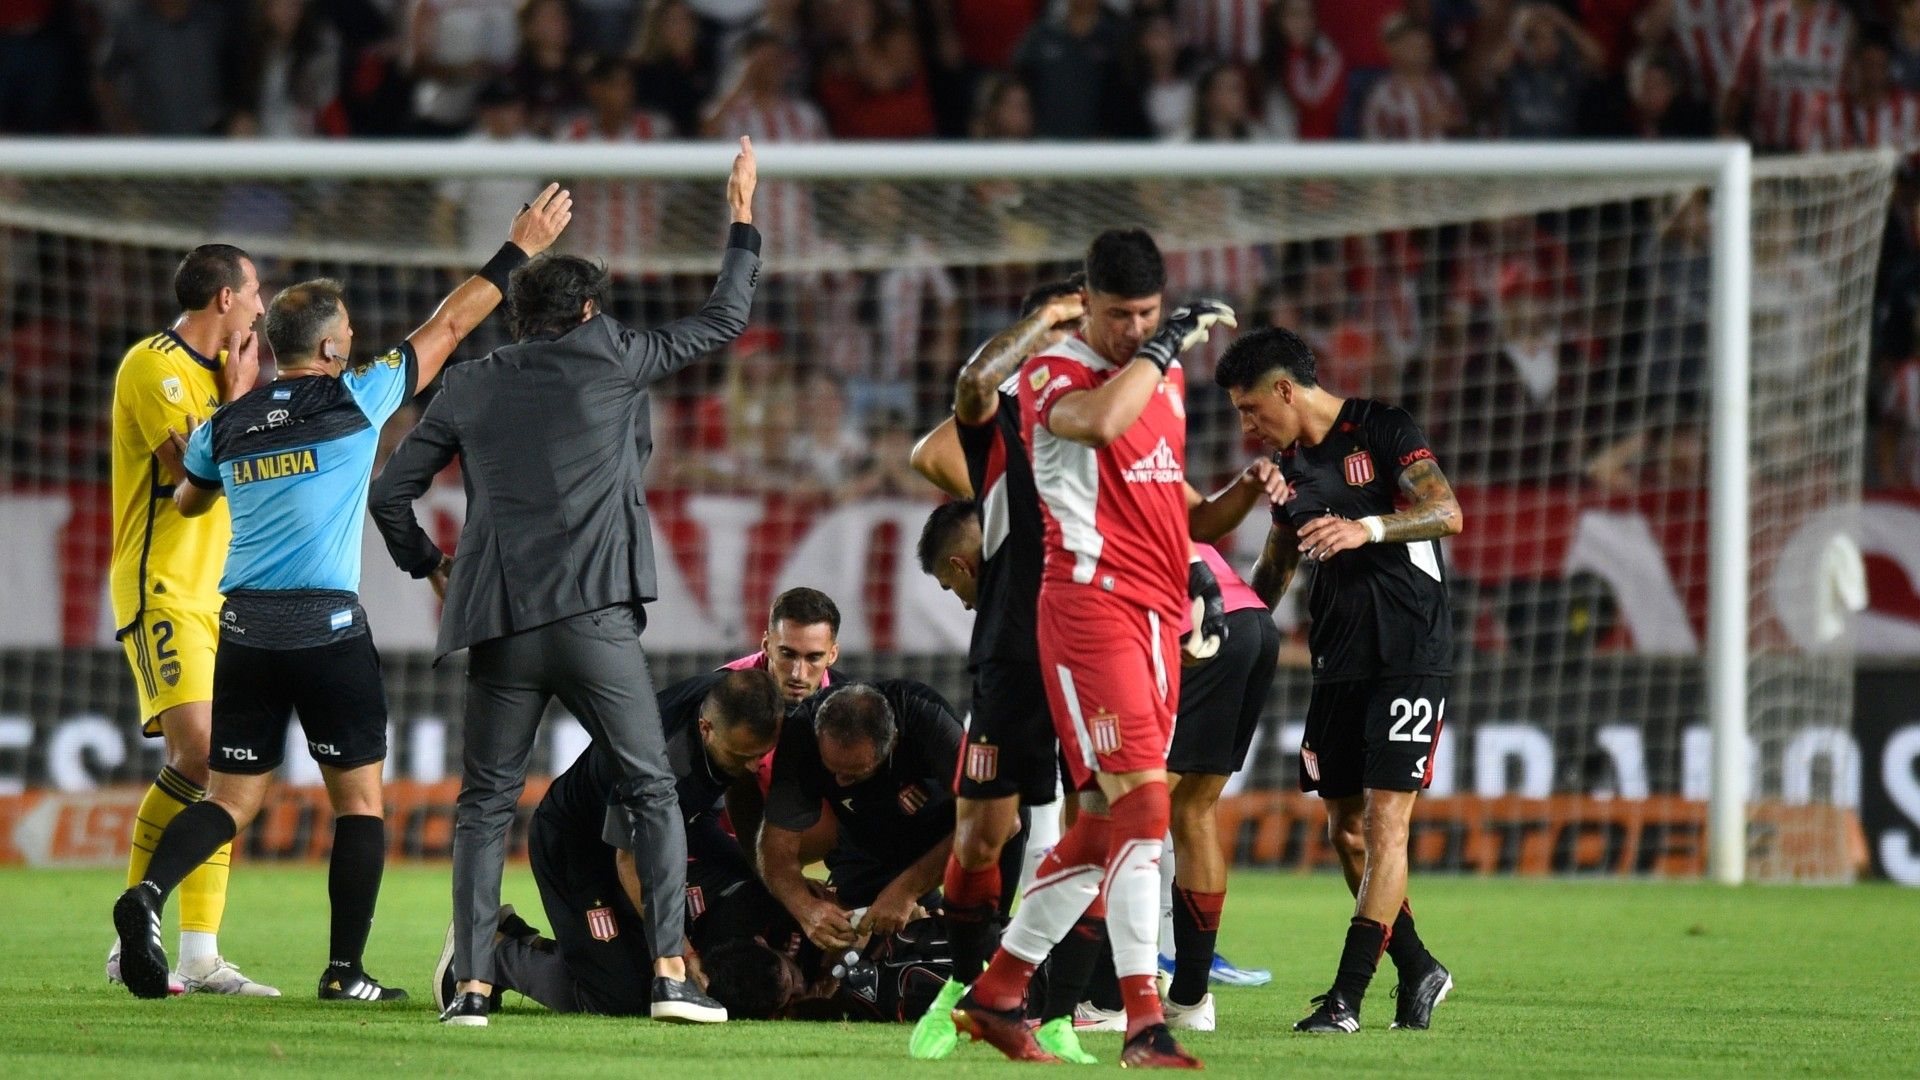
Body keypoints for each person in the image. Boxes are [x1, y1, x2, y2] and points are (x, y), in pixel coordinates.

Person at [110, 184, 575, 1004]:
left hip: (243, 629)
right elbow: (451, 325)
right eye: (349, 333)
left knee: (229, 798)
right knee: (359, 803)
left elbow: (186, 499)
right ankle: (344, 971)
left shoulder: (229, 423)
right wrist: (518, 252)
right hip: (325, 629)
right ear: (329, 348)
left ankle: (146, 893)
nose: (356, 340)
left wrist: (237, 432)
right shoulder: (355, 397)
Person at [368, 139, 758, 1028]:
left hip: (500, 623)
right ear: (587, 311)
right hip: (593, 622)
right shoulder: (615, 355)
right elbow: (724, 317)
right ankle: (669, 975)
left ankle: (472, 986)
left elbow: (390, 493)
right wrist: (741, 215)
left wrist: (431, 566)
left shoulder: (469, 383)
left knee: (484, 806)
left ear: (517, 314)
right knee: (650, 789)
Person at [950, 228, 1234, 1069]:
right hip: (1088, 610)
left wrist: (1208, 555)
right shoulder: (1054, 372)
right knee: (1144, 808)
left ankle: (998, 993)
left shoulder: (1162, 376)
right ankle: (1144, 1021)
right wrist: (1164, 344)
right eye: (1119, 315)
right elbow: (1104, 426)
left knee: (1110, 821)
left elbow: (1166, 502)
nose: (1132, 329)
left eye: (1147, 314)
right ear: (1090, 303)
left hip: (1155, 617)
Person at [1212, 325, 1459, 1034]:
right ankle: (1418, 966)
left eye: (1251, 408)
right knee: (1346, 830)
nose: (1247, 424)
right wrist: (1231, 630)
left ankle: (1346, 1000)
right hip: (1338, 657)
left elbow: (1446, 512)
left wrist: (1367, 528)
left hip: (1409, 649)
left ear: (1285, 389)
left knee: (1385, 825)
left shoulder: (1382, 428)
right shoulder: (1286, 470)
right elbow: (1275, 567)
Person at [905, 277, 1096, 1064]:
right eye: (1073, 324)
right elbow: (939, 438)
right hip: (1015, 648)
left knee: (1100, 831)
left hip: (1095, 646)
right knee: (984, 834)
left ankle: (1058, 1014)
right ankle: (964, 986)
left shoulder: (1116, 413)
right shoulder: (1009, 407)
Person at [106, 244, 268, 997]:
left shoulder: (235, 379)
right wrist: (238, 404)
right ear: (225, 298)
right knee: (200, 754)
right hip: (164, 586)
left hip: (226, 593)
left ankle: (199, 953)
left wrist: (240, 401)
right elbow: (190, 483)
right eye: (255, 290)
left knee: (221, 766)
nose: (262, 307)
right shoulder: (153, 366)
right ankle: (134, 932)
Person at [444, 668, 783, 1016]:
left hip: (631, 845)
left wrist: (777, 881)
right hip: (577, 847)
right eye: (741, 756)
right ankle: (488, 952)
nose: (754, 766)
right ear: (705, 728)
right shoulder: (662, 761)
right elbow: (632, 864)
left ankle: (517, 936)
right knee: (618, 998)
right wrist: (682, 955)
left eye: (762, 754)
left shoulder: (729, 703)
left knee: (638, 971)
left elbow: (699, 827)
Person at [759, 682, 962, 961]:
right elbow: (775, 849)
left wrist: (906, 890)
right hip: (867, 838)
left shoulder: (928, 720)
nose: (840, 782)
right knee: (853, 954)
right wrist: (805, 909)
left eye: (853, 773)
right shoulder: (802, 734)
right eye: (831, 769)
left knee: (972, 938)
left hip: (954, 832)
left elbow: (994, 822)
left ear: (893, 742)